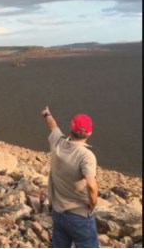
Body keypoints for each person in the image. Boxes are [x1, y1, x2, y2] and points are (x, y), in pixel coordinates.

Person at [41, 106, 99, 248]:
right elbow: (91, 185)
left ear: (71, 128)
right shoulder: (86, 155)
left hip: (58, 212)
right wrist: (92, 204)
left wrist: (47, 114)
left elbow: (53, 126)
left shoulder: (58, 143)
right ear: (89, 132)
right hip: (79, 215)